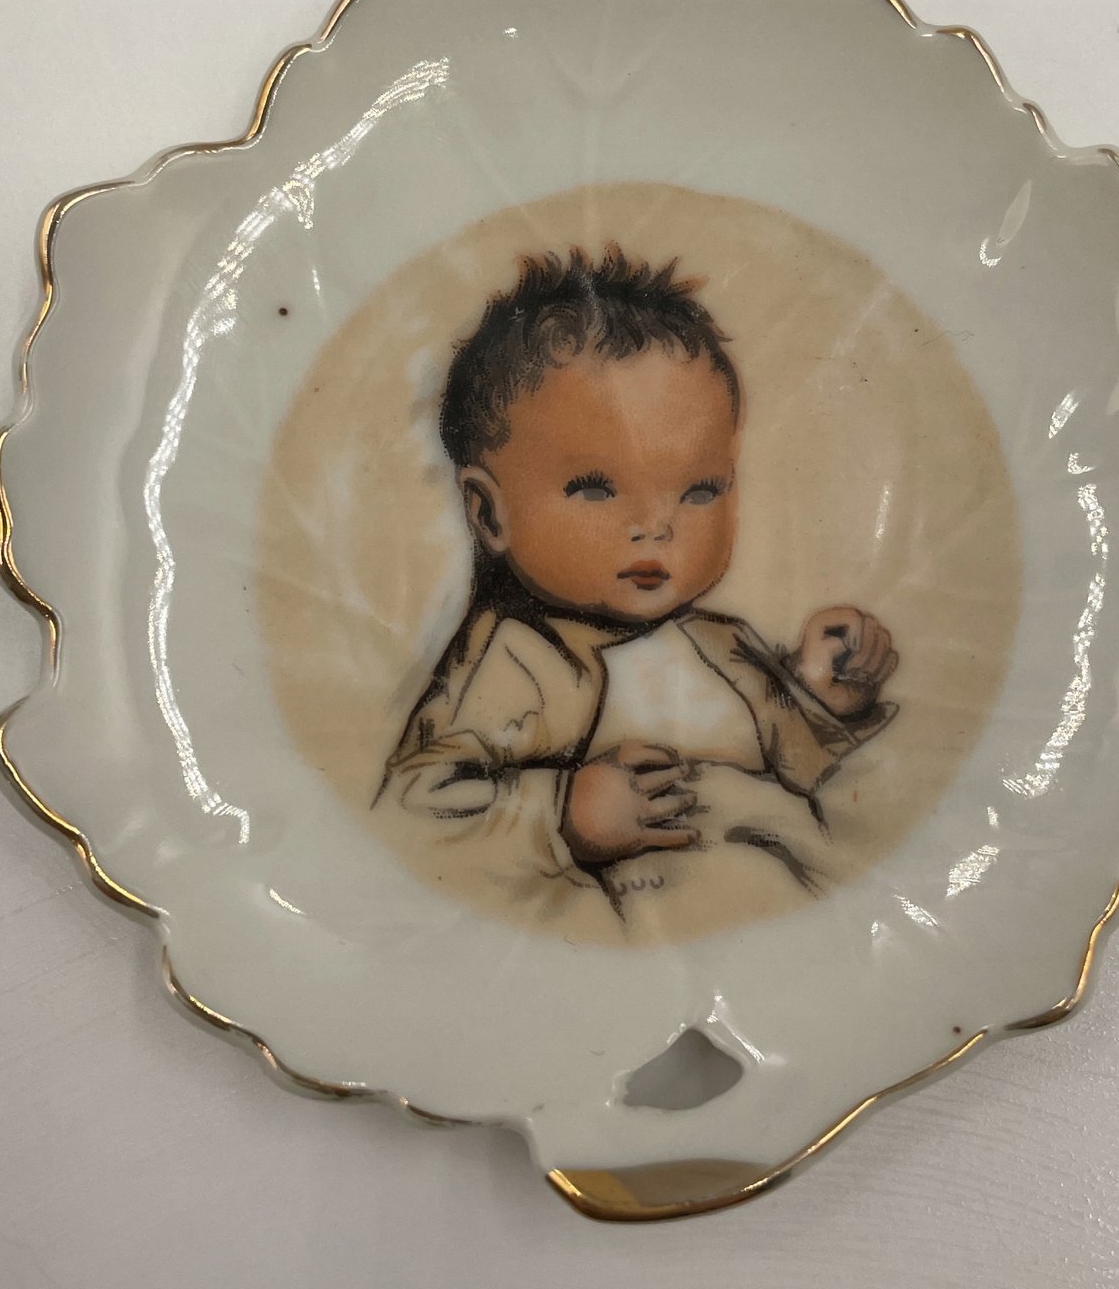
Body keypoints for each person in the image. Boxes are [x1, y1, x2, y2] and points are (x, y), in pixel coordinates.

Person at [378, 246, 897, 934]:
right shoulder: (517, 660)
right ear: (489, 513)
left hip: (800, 923)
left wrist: (822, 697)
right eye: (596, 488)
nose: (657, 526)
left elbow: (792, 768)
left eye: (700, 490)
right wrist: (564, 814)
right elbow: (414, 816)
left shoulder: (722, 643)